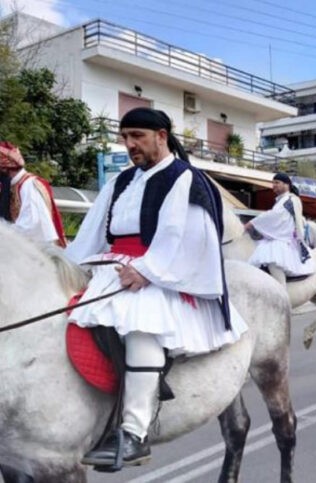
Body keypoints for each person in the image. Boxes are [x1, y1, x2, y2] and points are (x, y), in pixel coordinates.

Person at [65, 107, 247, 467]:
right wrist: (69, 263)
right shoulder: (120, 181)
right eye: (125, 137)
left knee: (141, 326)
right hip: (114, 266)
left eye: (137, 136)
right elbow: (92, 233)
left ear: (161, 136)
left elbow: (189, 236)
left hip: (162, 272)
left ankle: (134, 433)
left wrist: (148, 271)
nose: (129, 144)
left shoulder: (184, 178)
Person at [246, 172, 315, 287]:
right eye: (273, 183)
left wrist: (253, 223)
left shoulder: (290, 199)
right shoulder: (282, 200)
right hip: (280, 236)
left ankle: (281, 291)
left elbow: (275, 216)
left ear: (286, 185)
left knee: (273, 261)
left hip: (284, 239)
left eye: (277, 183)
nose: (274, 185)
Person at [0, 141, 67, 247]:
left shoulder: (29, 185)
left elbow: (31, 226)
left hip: (38, 256)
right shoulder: (12, 186)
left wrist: (3, 232)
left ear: (4, 167)